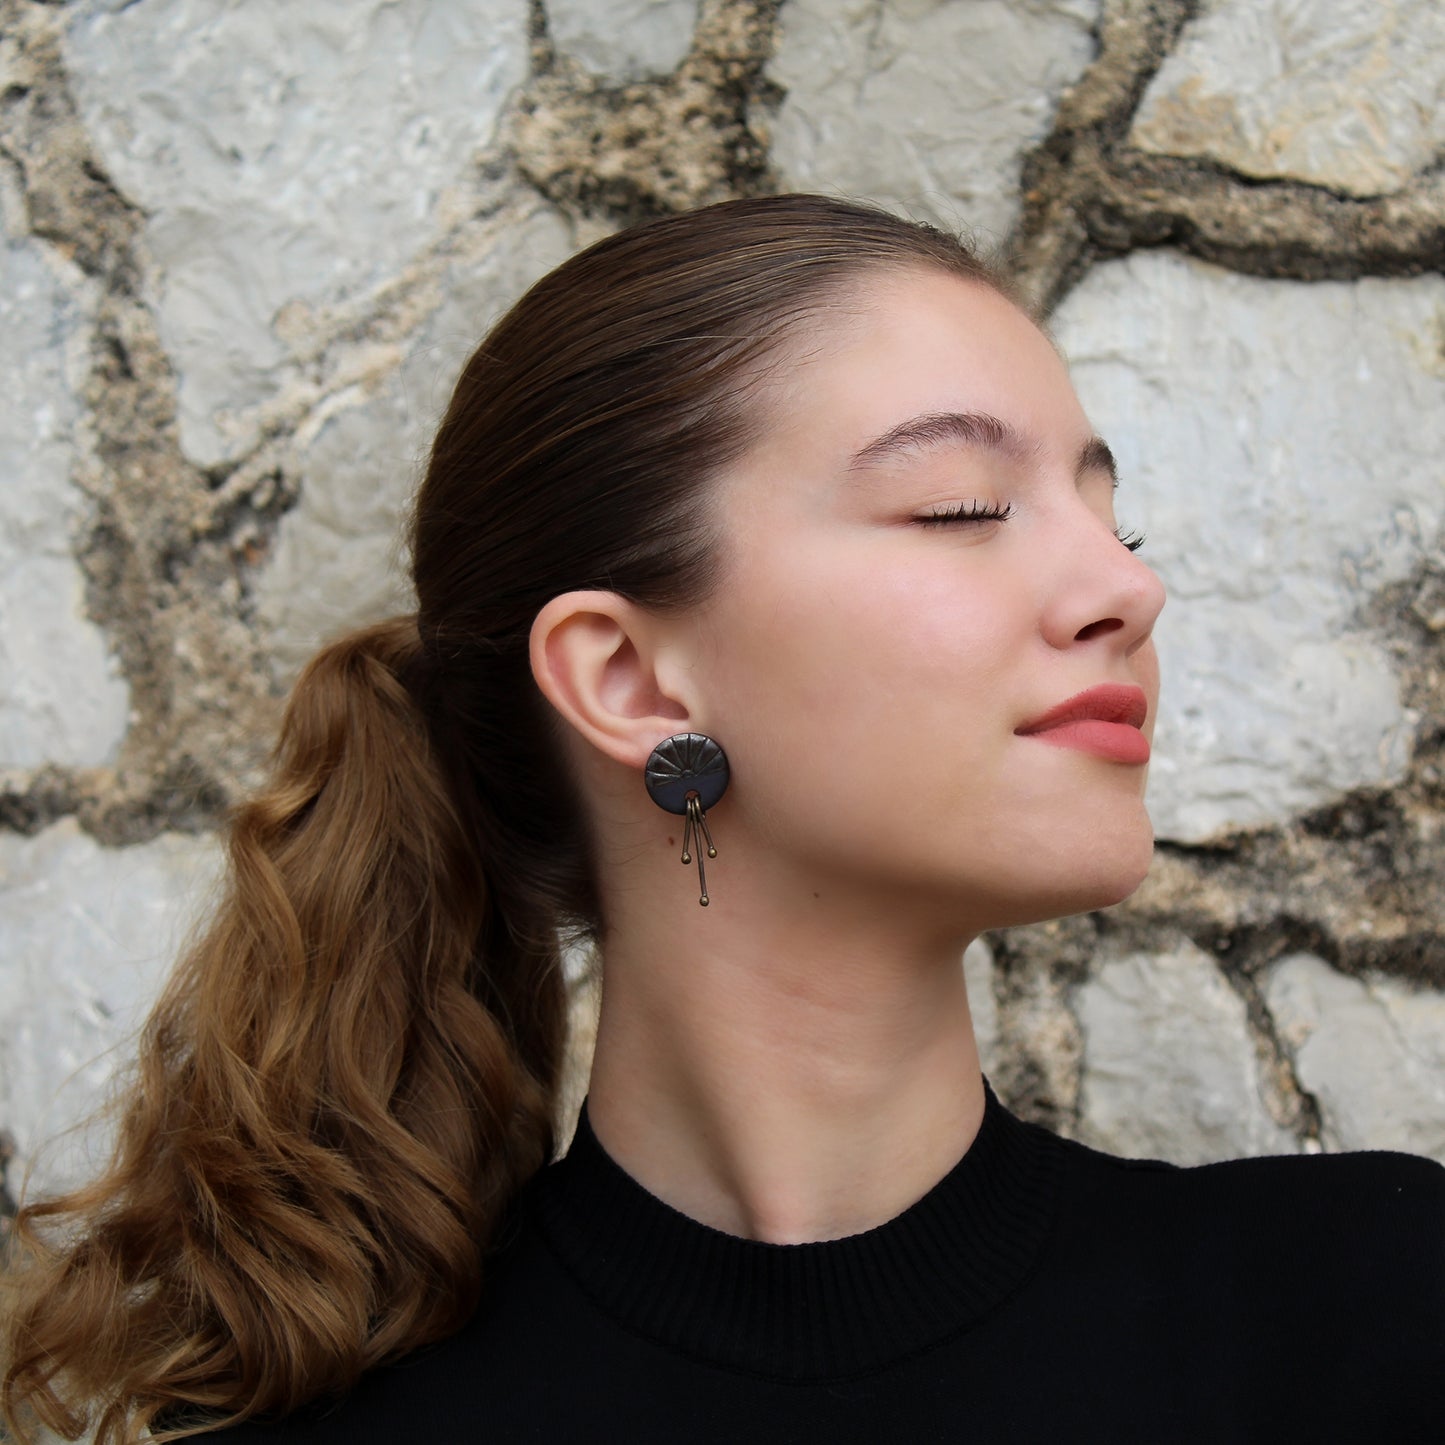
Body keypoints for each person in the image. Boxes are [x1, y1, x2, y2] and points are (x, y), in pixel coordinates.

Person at [2, 194, 1442, 1445]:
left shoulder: (1371, 1318)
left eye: (1107, 516)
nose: (1127, 589)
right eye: (958, 506)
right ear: (626, 676)